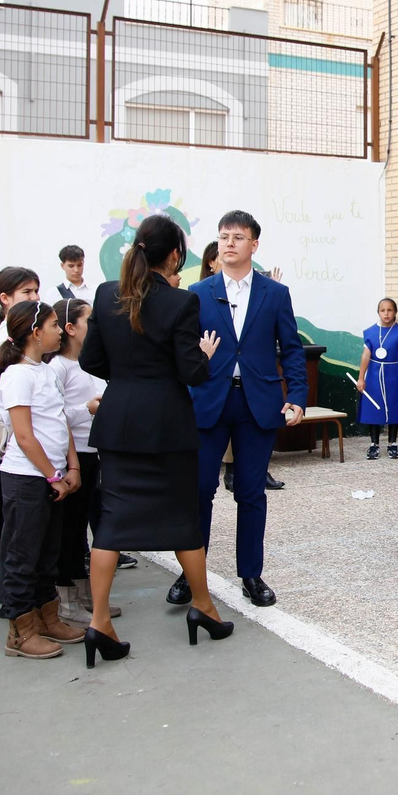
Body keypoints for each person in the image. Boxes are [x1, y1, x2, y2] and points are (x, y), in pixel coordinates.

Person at [80, 213, 231, 664]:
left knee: (110, 524)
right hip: (167, 425)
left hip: (119, 422)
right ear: (175, 256)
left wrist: (128, 381)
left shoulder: (107, 294)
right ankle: (202, 607)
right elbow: (191, 374)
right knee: (182, 517)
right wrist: (203, 356)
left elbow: (91, 359)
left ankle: (99, 622)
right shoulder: (182, 303)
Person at [180, 210, 306, 608]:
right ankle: (191, 574)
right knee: (200, 490)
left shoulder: (275, 293)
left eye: (238, 237)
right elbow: (181, 352)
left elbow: (292, 348)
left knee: (251, 493)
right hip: (208, 402)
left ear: (254, 244)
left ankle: (251, 573)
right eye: (223, 236)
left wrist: (298, 396)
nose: (229, 243)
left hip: (258, 403)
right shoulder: (198, 293)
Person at [0, 301, 87, 658]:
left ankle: (48, 618)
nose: (59, 330)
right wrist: (52, 476)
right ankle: (20, 631)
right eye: (52, 324)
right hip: (27, 479)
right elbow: (24, 435)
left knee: (48, 552)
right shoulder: (18, 374)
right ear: (35, 333)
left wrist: (72, 467)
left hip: (52, 477)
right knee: (22, 555)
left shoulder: (45, 370)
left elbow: (61, 423)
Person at [49, 297, 119, 625]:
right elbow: (53, 414)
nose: (95, 327)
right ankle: (66, 597)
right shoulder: (58, 368)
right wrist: (86, 410)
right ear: (70, 328)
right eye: (88, 321)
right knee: (71, 529)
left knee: (88, 527)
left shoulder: (91, 362)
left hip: (95, 453)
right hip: (72, 455)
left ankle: (88, 595)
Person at [0, 266, 42, 570]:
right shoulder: (6, 334)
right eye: (27, 292)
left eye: (35, 290)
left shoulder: (25, 326)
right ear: (4, 298)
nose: (35, 297)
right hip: (12, 427)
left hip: (26, 424)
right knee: (1, 489)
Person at [358, 298, 398, 459]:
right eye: (383, 310)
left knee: (394, 406)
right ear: (378, 312)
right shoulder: (371, 332)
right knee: (374, 408)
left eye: (389, 310)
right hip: (374, 375)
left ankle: (392, 444)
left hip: (393, 375)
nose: (386, 313)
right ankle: (374, 444)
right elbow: (365, 356)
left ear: (395, 312)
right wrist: (361, 378)